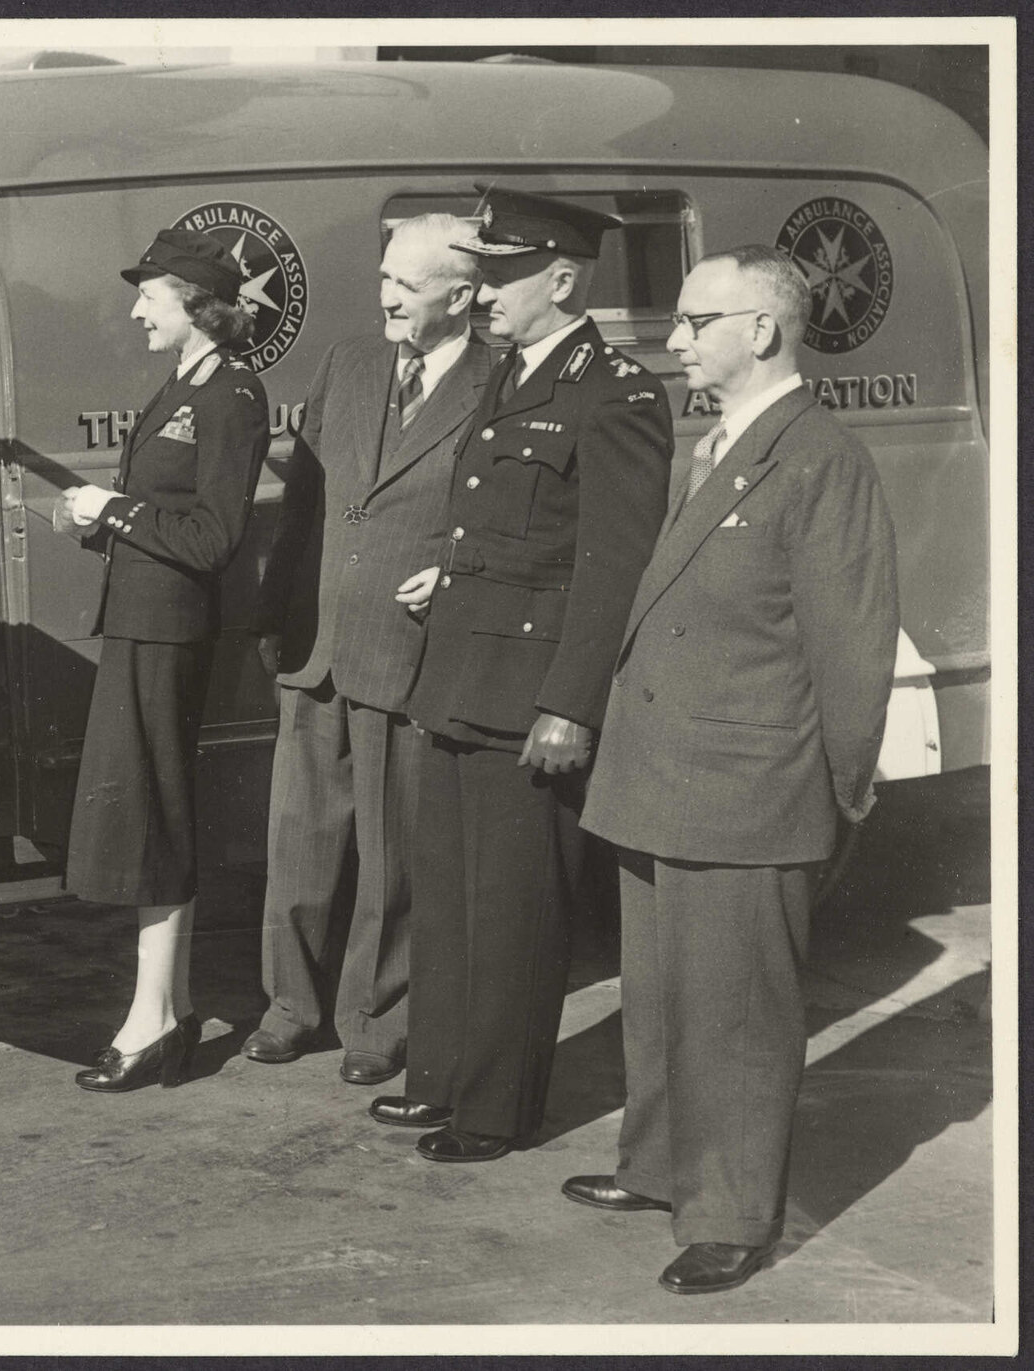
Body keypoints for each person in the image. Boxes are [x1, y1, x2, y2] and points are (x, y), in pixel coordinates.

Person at [568, 246, 899, 1295]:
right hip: (663, 773)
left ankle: (731, 1213)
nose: (671, 344)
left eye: (690, 322)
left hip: (748, 784)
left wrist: (842, 792)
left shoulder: (819, 458)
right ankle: (661, 1166)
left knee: (739, 1017)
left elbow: (850, 651)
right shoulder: (711, 442)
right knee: (664, 997)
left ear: (759, 329)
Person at [371, 186, 672, 1161]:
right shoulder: (509, 374)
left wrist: (568, 705)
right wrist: (448, 577)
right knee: (450, 901)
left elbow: (608, 565)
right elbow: (500, 527)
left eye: (500, 273)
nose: (481, 290)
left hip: (527, 697)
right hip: (460, 671)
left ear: (558, 276)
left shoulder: (612, 392)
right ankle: (440, 1078)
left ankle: (494, 1108)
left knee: (512, 913)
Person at [244, 214, 491, 1085]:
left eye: (407, 285)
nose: (386, 296)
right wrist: (275, 613)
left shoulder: (496, 382)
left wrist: (456, 571)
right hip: (318, 642)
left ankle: (376, 1021)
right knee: (299, 840)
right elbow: (307, 500)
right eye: (383, 278)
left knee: (393, 855)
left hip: (408, 645)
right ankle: (290, 1005)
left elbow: (503, 517)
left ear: (461, 297)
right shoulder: (350, 362)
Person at [62, 229, 270, 1092]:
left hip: (174, 630)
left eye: (150, 294)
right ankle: (168, 1011)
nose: (136, 308)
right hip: (145, 622)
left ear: (196, 303)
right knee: (151, 812)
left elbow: (215, 537)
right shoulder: (180, 386)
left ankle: (152, 1019)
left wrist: (114, 512)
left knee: (161, 812)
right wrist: (102, 520)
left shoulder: (230, 397)